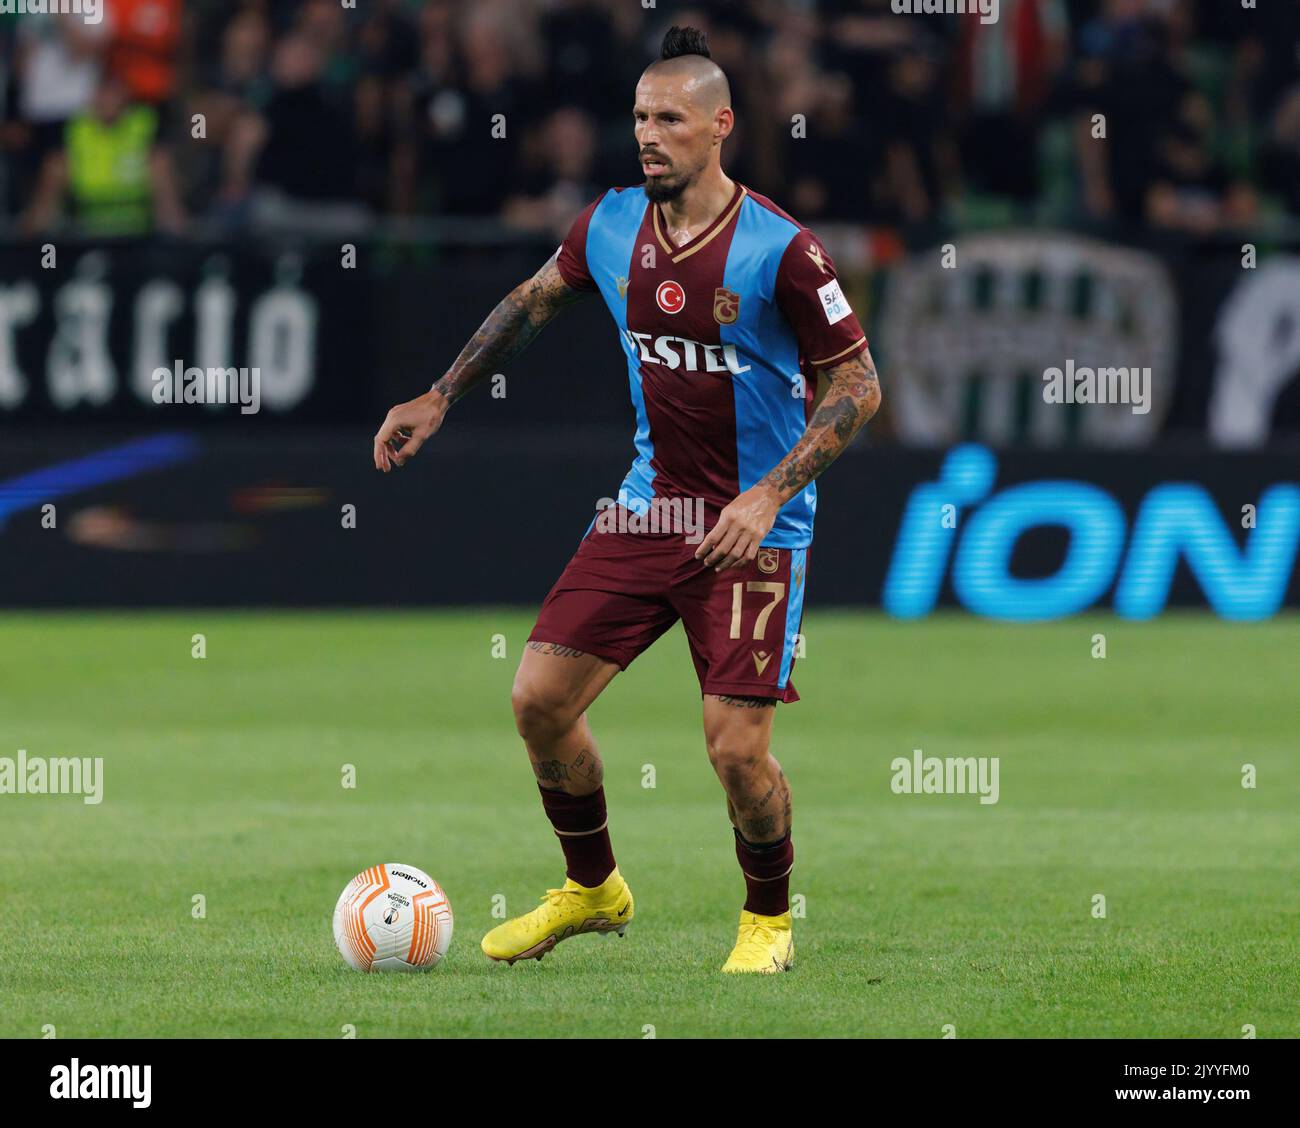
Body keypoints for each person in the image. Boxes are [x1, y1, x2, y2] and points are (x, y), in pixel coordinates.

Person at [372, 26, 881, 974]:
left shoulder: (783, 251)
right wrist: (440, 394)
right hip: (650, 510)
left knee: (735, 753)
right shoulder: (608, 224)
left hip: (753, 531)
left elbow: (858, 386)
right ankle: (594, 889)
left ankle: (767, 921)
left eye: (671, 120)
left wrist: (767, 497)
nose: (649, 135)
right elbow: (531, 302)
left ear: (720, 125)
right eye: (641, 118)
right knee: (538, 700)